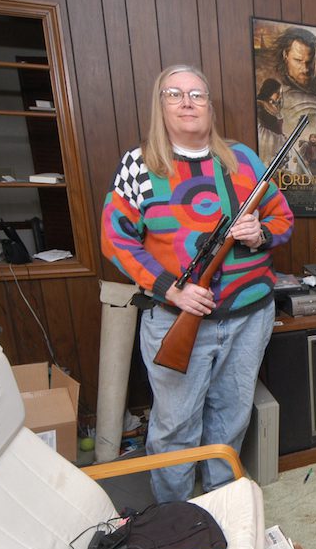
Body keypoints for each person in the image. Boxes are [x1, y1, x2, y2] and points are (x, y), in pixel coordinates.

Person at [101, 64, 294, 502]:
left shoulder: (243, 159)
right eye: (174, 94)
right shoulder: (139, 164)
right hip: (176, 319)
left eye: (197, 94)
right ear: (160, 105)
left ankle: (222, 505)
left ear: (209, 105)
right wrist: (172, 289)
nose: (187, 103)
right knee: (175, 427)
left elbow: (282, 218)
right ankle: (177, 517)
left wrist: (260, 233)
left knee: (231, 419)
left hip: (249, 318)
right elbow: (116, 241)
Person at [255, 78, 284, 165]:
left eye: (280, 93)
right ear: (269, 90)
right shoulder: (259, 104)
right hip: (267, 141)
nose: (279, 96)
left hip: (277, 141)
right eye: (277, 93)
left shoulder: (274, 106)